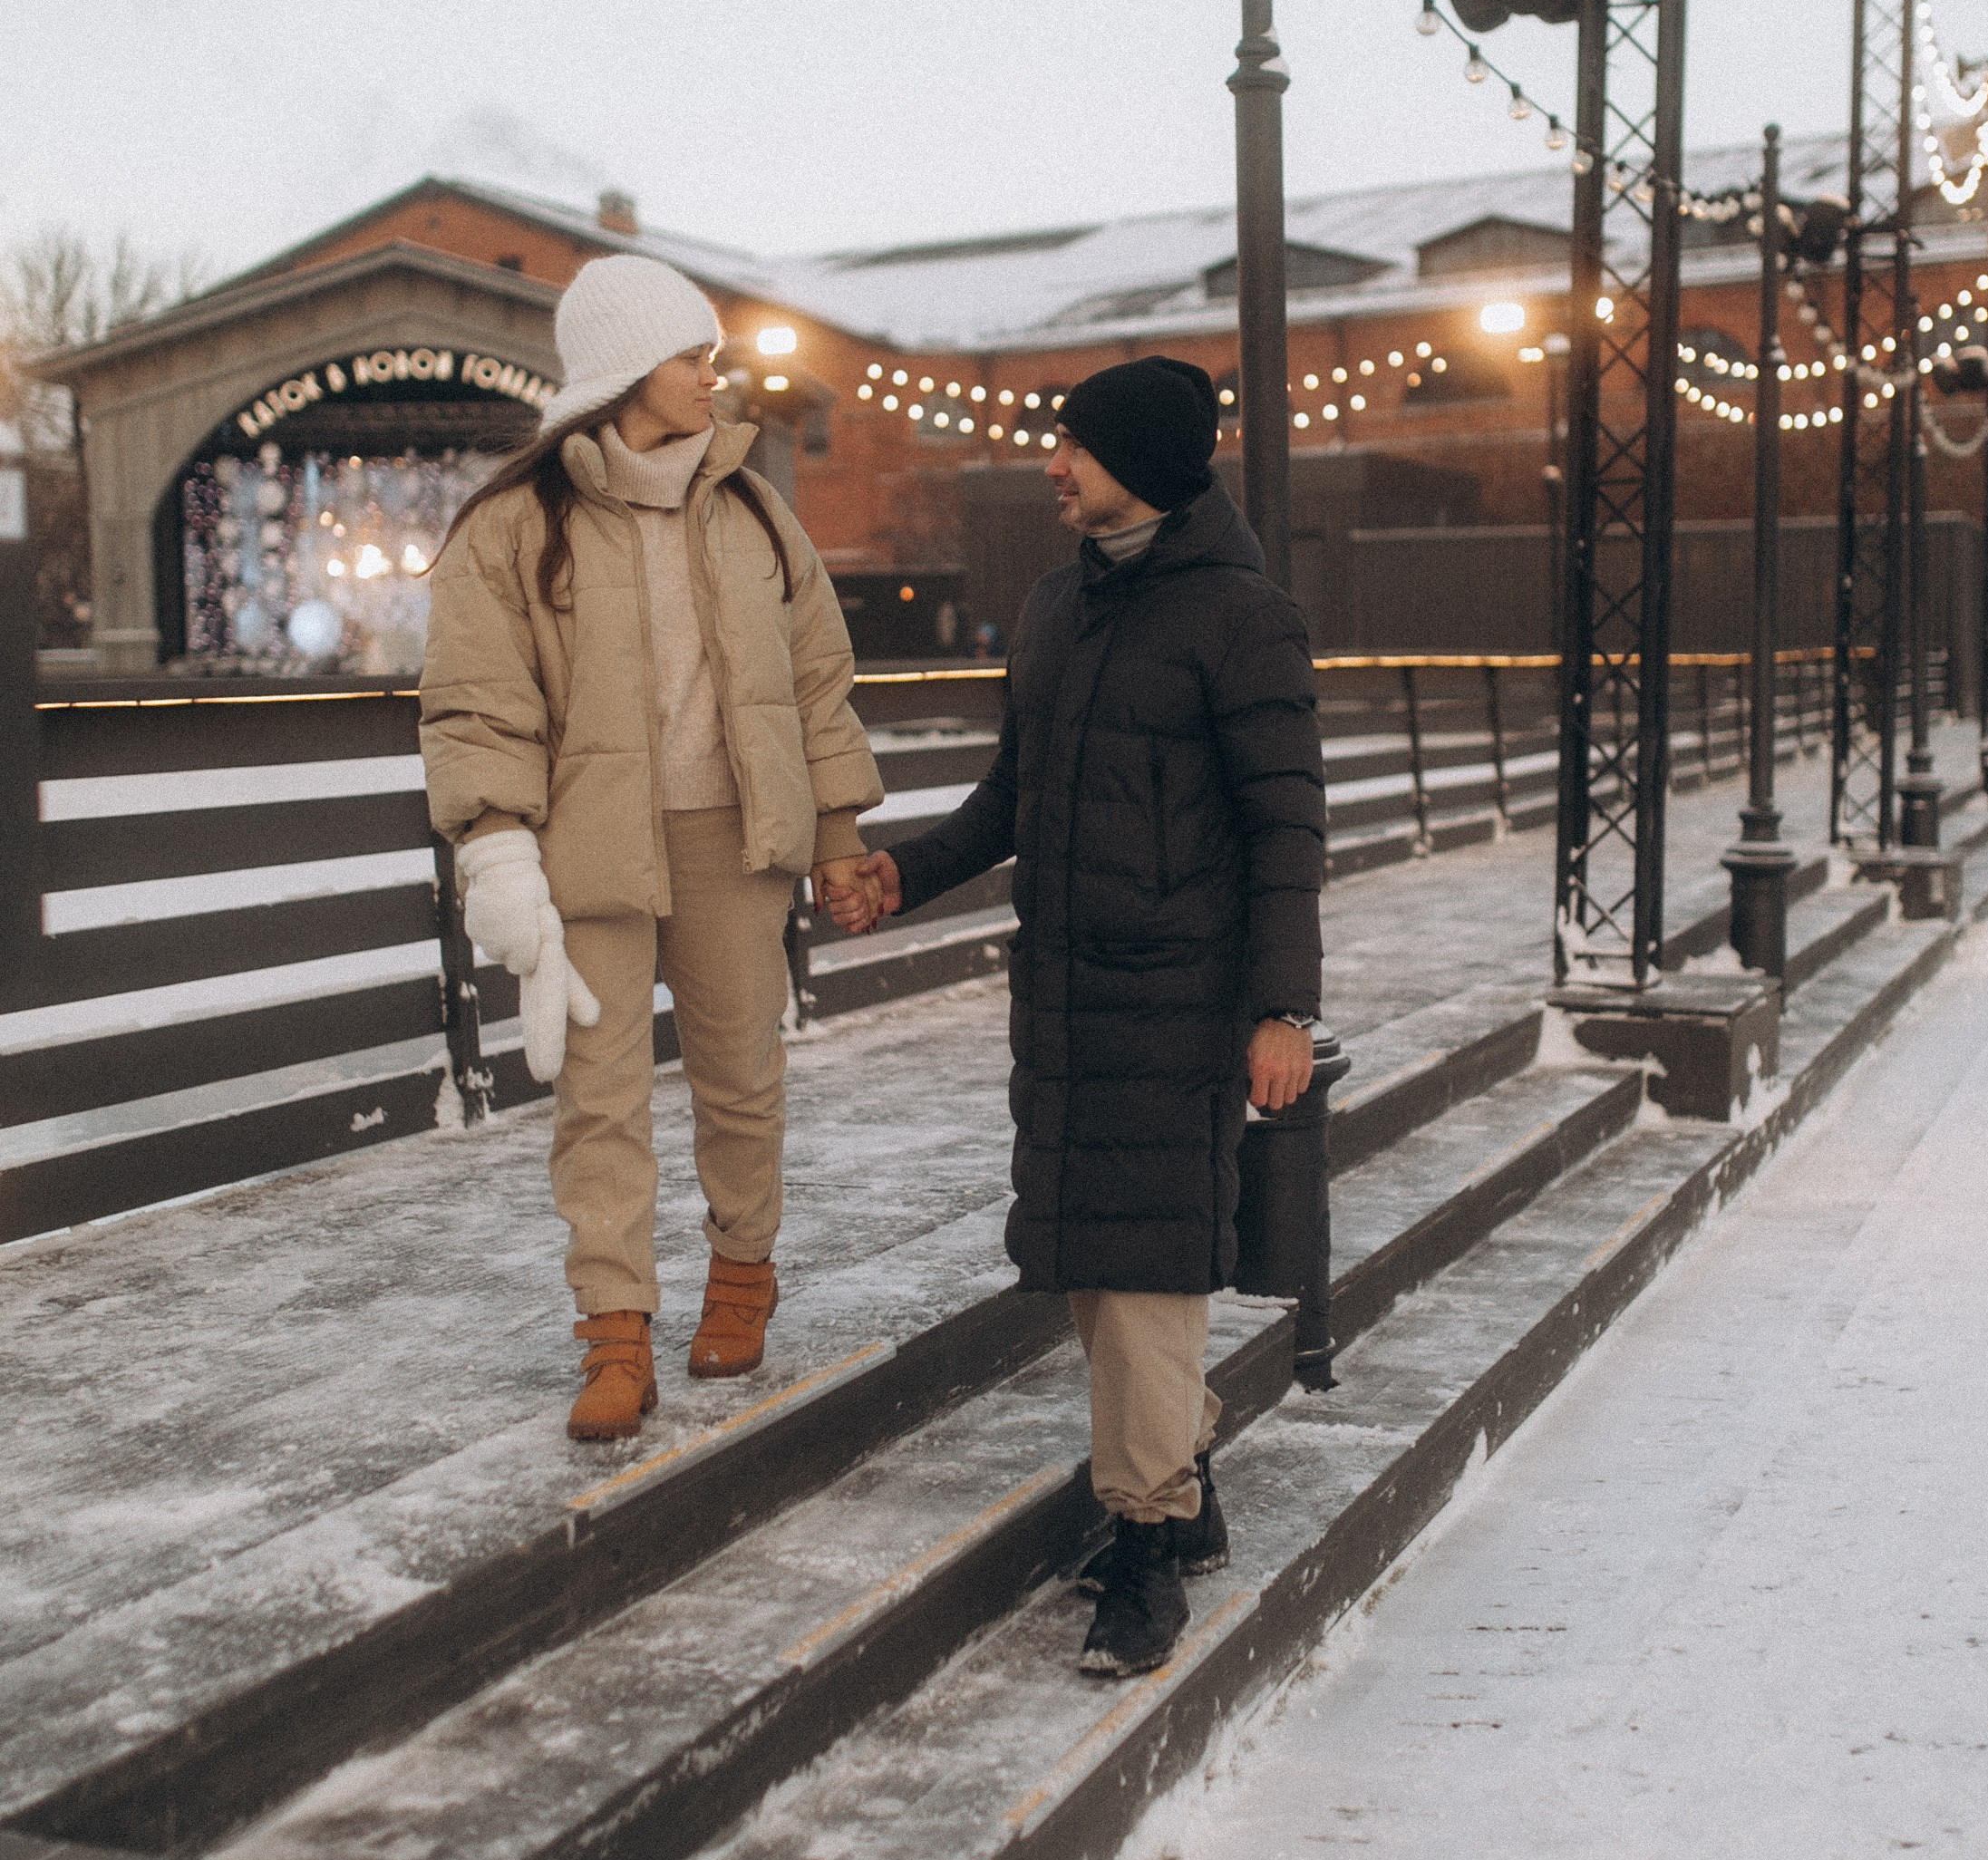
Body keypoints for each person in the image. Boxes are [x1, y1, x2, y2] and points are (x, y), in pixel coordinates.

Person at [826, 354, 1325, 1678]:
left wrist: (1282, 1006)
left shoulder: (1244, 620)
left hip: (1179, 998)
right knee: (1101, 1272)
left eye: (1077, 447)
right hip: (1064, 996)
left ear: (1144, 464)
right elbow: (1014, 794)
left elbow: (1285, 834)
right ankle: (1183, 1482)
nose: (1052, 465)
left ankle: (1148, 1540)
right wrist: (906, 874)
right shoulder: (1057, 605)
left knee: (1148, 1274)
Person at [422, 254, 883, 1441]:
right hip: (590, 851)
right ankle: (614, 1331)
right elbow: (477, 704)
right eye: (693, 357)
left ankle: (742, 1274)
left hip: (736, 843)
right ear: (628, 369)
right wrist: (496, 847)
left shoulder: (754, 512)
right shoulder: (516, 526)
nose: (713, 377)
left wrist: (837, 832)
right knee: (600, 1100)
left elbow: (818, 683)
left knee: (742, 1081)